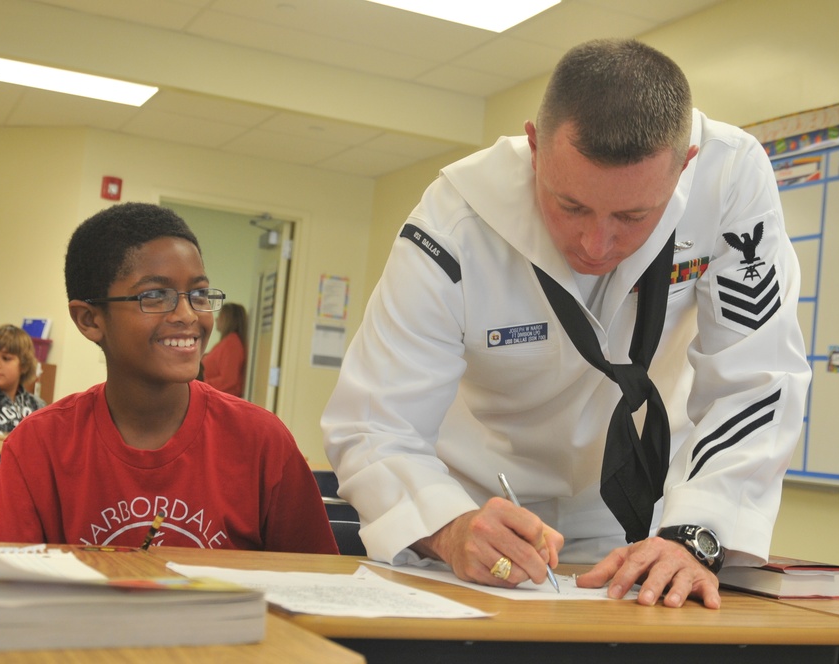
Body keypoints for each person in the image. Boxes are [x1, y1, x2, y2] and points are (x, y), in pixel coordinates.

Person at [322, 39, 811, 608]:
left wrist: (699, 532)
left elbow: (757, 375)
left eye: (632, 216)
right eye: (570, 205)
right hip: (477, 514)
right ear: (534, 147)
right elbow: (375, 423)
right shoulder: (453, 224)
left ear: (686, 166)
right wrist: (448, 526)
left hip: (646, 524)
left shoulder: (730, 180)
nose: (595, 243)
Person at [0, 202, 338, 554]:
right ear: (90, 320)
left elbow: (320, 589)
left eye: (198, 293)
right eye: (154, 296)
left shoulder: (263, 442)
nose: (187, 314)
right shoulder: (38, 447)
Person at [201, 302, 247, 397]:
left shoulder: (232, 343)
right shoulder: (227, 341)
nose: (217, 319)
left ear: (229, 320)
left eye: (221, 316)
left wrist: (200, 384)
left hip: (218, 398)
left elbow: (228, 380)